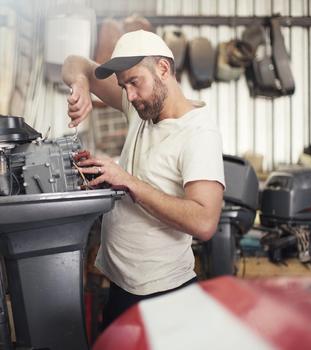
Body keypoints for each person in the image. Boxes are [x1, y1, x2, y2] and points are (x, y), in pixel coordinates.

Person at [62, 29, 225, 328]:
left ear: (163, 68)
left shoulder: (199, 134)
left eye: (135, 82)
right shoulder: (141, 108)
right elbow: (74, 62)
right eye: (124, 87)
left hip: (163, 296)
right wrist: (81, 84)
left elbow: (205, 222)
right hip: (122, 286)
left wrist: (129, 181)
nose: (130, 96)